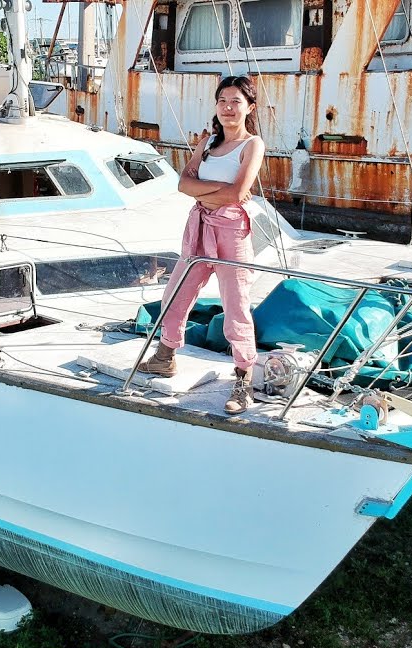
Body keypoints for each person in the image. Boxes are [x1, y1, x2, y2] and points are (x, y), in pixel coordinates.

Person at [136, 75, 266, 415]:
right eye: (222, 100)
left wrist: (202, 188)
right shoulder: (207, 144)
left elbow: (237, 194)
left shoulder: (252, 145)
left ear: (249, 107)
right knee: (176, 293)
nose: (227, 107)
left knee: (235, 305)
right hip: (200, 226)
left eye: (235, 101)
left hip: (231, 230)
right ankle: (165, 356)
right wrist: (208, 189)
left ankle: (243, 378)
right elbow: (182, 184)